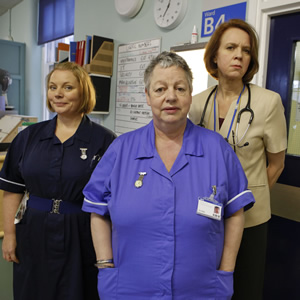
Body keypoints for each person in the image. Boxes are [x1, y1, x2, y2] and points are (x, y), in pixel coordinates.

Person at [82, 51, 255, 300]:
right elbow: (97, 210)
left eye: (180, 88)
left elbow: (235, 213)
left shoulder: (217, 149)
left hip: (200, 290)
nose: (170, 97)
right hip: (129, 288)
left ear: (190, 94)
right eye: (160, 89)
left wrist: (226, 271)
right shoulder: (121, 149)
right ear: (148, 96)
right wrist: (105, 264)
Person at [188, 19, 287, 300]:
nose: (239, 55)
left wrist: (248, 200)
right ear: (215, 56)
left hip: (250, 219)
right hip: (203, 214)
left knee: (245, 287)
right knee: (204, 285)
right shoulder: (196, 103)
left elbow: (277, 164)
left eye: (245, 50)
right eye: (230, 47)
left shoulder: (268, 102)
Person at [0, 62, 116, 300]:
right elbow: (12, 190)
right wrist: (10, 235)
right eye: (53, 87)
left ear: (83, 92)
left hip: (82, 230)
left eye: (67, 87)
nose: (58, 94)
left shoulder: (104, 140)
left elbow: (113, 199)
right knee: (32, 290)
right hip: (33, 230)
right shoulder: (28, 138)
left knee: (78, 291)